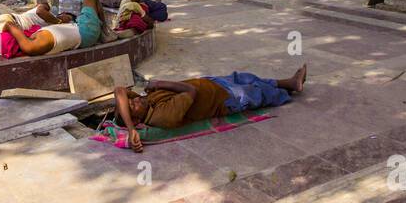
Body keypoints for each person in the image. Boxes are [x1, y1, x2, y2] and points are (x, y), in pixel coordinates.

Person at [112, 65, 307, 152]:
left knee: (248, 78)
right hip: (224, 99)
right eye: (133, 107)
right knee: (259, 93)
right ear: (138, 120)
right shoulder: (161, 116)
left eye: (132, 101)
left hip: (214, 84)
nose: (135, 100)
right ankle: (290, 89)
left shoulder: (145, 103)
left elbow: (119, 90)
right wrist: (160, 83)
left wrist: (130, 129)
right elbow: (190, 91)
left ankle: (290, 82)